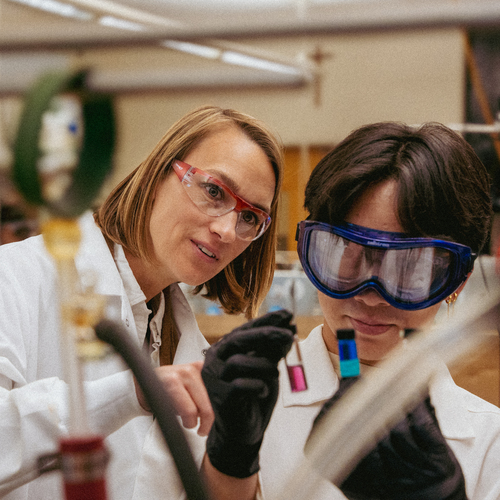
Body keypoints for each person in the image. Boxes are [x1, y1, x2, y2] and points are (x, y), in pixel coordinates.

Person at [0, 105, 294, 500]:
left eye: (250, 218)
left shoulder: (182, 338)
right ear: (158, 176)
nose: (227, 229)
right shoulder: (15, 277)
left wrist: (235, 450)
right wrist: (133, 392)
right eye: (213, 191)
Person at [203, 121, 500, 500]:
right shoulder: (235, 400)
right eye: (346, 255)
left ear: (456, 281)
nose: (372, 295)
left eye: (409, 268)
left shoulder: (491, 444)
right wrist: (229, 462)